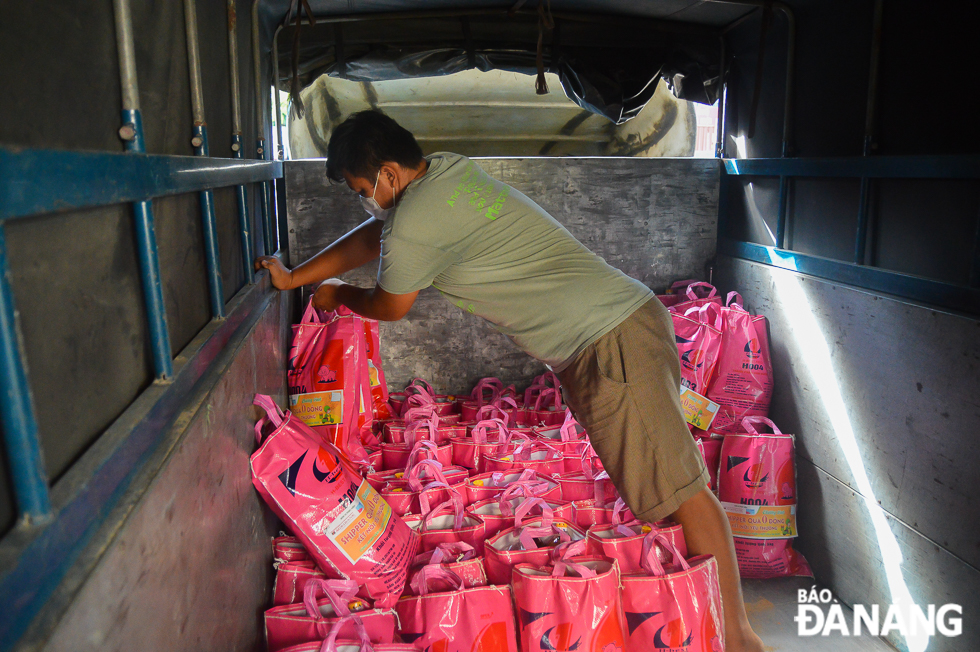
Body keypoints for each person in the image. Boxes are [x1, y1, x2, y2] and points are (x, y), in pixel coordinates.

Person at [255, 109, 764, 652]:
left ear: (387, 174)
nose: (365, 199)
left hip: (611, 340)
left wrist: (335, 295)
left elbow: (389, 304)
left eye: (363, 189)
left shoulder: (416, 219)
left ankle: (738, 639)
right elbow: (373, 238)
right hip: (610, 335)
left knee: (678, 490)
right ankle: (708, 625)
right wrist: (298, 276)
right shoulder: (443, 175)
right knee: (658, 491)